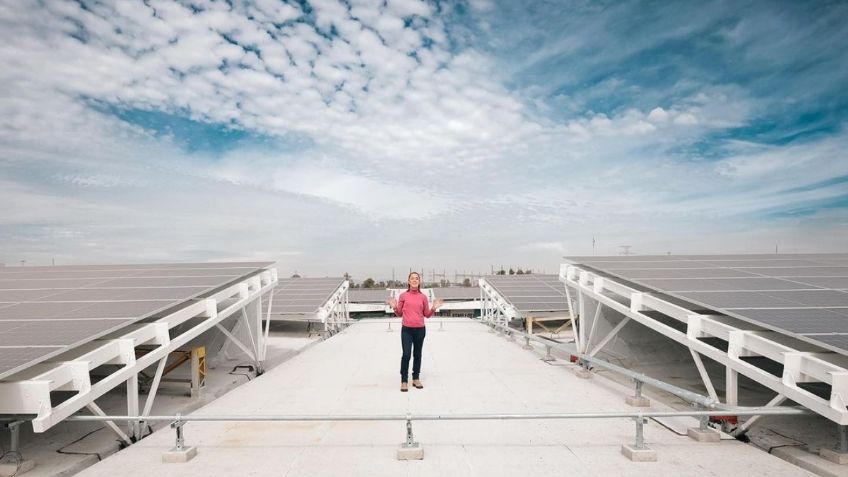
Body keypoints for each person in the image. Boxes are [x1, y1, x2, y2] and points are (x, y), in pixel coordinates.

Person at [387, 272, 443, 392]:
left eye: (416, 278)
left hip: (420, 330)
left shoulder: (423, 297)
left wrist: (433, 308)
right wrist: (394, 307)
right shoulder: (403, 296)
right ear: (408, 281)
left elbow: (427, 315)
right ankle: (404, 380)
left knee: (417, 354)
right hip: (406, 330)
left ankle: (416, 378)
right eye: (412, 278)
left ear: (419, 281)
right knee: (406, 355)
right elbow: (399, 314)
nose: (414, 280)